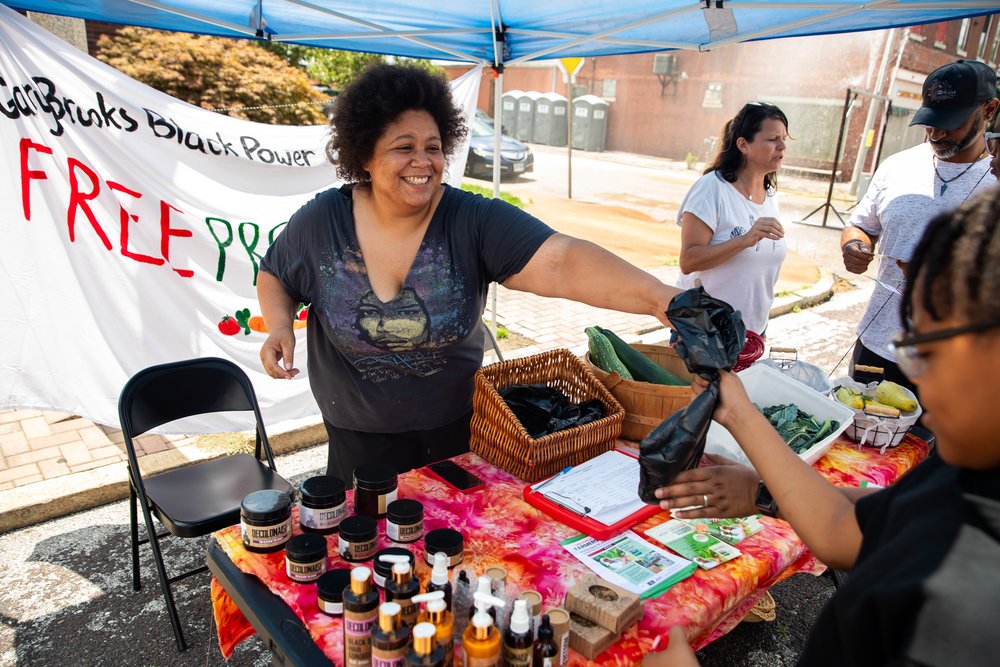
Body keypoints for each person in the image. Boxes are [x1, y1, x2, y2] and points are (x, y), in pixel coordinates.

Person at [257, 64, 680, 480]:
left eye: (433, 147)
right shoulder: (322, 221)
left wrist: (663, 299)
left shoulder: (472, 220)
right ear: (365, 154)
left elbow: (563, 259)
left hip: (455, 432)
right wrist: (279, 325)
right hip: (356, 436)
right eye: (403, 147)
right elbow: (276, 273)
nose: (423, 161)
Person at [647, 186, 1000, 666]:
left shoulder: (967, 607)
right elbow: (847, 527)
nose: (915, 375)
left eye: (929, 349)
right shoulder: (974, 471)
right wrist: (759, 485)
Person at [840, 59, 998, 391]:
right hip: (876, 347)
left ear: (989, 110)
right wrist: (855, 245)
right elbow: (861, 226)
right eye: (930, 121)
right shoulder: (896, 165)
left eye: (950, 122)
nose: (936, 133)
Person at [675, 102, 789, 337]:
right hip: (705, 334)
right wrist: (745, 240)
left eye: (784, 138)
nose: (782, 146)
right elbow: (688, 260)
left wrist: (760, 330)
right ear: (743, 144)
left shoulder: (769, 195)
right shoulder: (712, 189)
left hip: (752, 333)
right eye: (772, 139)